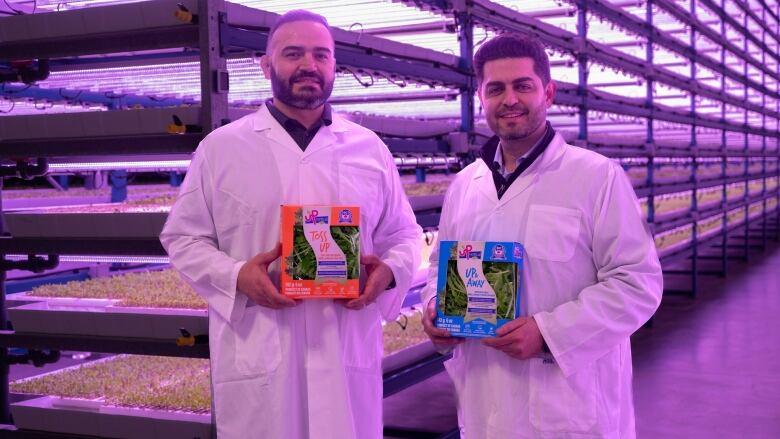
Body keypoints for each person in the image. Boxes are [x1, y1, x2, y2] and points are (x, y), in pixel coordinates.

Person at [161, 10, 421, 439]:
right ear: (266, 65)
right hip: (260, 358)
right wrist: (237, 276)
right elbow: (183, 237)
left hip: (345, 354)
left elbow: (405, 234)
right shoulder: (222, 149)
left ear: (334, 65)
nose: (309, 65)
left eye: (321, 55)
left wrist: (389, 274)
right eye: (293, 53)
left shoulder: (369, 150)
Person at [421, 33, 663, 438]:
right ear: (481, 96)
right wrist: (435, 307)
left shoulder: (596, 177)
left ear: (548, 92)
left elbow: (638, 283)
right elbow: (438, 268)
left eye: (523, 86)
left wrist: (550, 333)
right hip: (487, 404)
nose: (509, 99)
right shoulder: (465, 185)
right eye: (495, 88)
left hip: (568, 407)